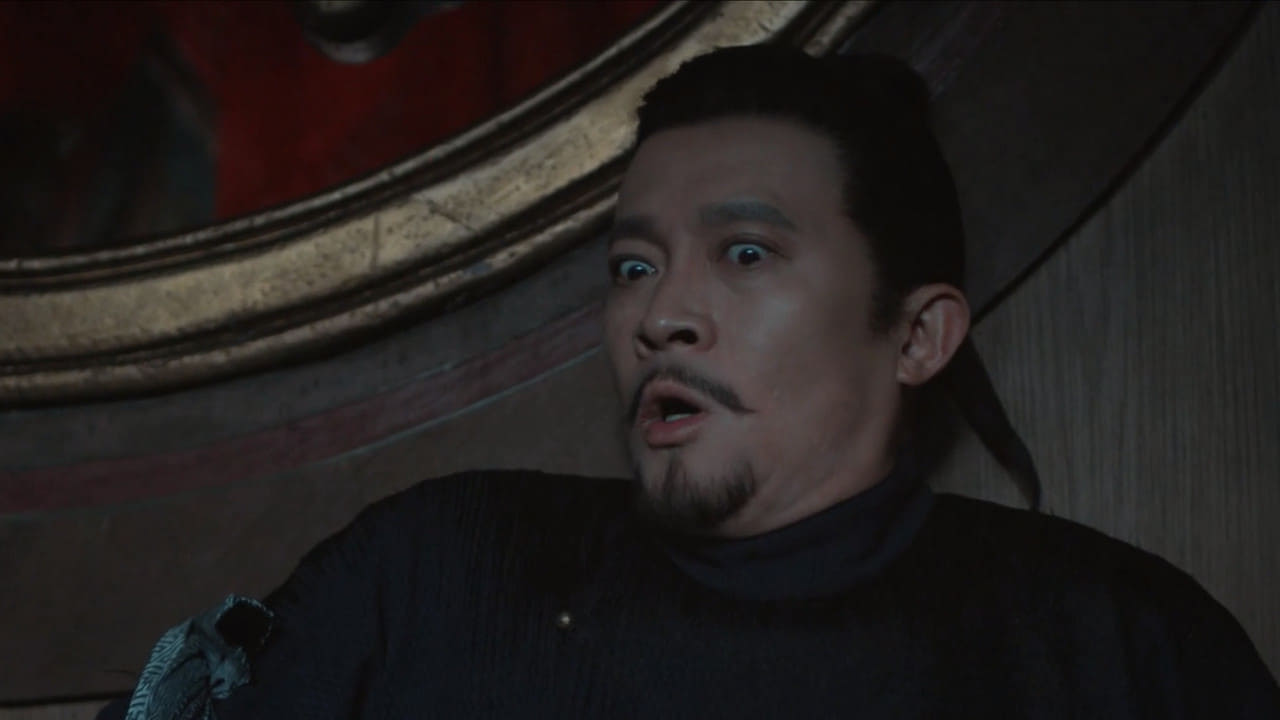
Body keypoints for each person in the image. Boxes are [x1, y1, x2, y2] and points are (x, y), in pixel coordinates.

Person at [105, 45, 1279, 719]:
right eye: (632, 265)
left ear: (917, 335)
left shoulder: (1118, 643)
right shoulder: (434, 575)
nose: (658, 314)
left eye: (745, 254)